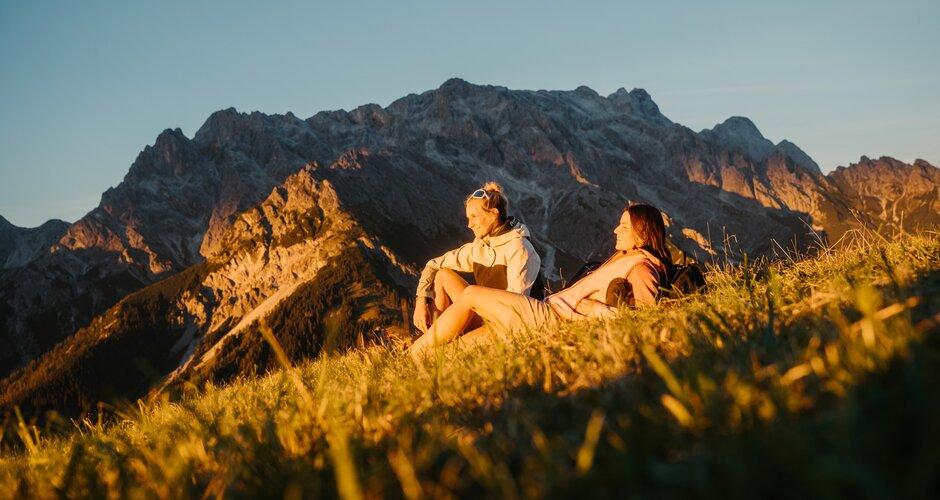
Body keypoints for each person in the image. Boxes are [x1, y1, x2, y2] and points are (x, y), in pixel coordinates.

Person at [409, 203, 673, 354]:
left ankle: (412, 355)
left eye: (625, 226)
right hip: (549, 311)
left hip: (551, 319)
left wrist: (595, 310)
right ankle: (425, 354)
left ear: (643, 233)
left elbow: (643, 321)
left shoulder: (642, 268)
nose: (616, 229)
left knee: (471, 294)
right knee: (455, 349)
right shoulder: (629, 257)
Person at [412, 182, 542, 333]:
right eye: (468, 218)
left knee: (449, 347)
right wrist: (421, 300)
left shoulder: (519, 248)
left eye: (474, 216)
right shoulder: (480, 247)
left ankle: (434, 342)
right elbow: (433, 265)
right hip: (485, 315)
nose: (469, 224)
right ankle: (431, 335)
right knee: (442, 275)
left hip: (506, 324)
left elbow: (515, 309)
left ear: (494, 214)